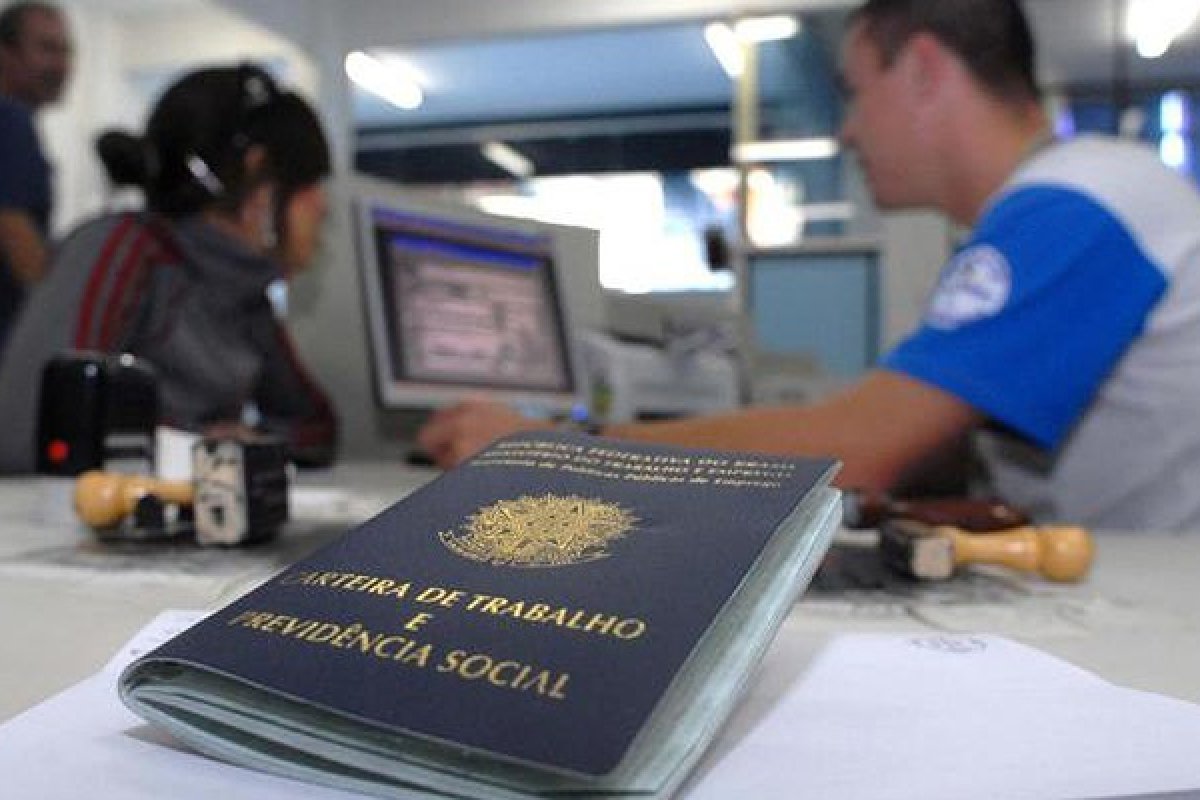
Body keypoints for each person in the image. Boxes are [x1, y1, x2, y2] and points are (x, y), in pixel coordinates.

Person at [416, 0, 1200, 531]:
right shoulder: (1078, 198)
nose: (849, 134)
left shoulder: (1077, 204)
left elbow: (859, 450)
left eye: (855, 95)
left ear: (925, 69)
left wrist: (552, 452)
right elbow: (920, 447)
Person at [0, 64, 337, 471]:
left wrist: (237, 446)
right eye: (309, 184)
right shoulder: (127, 250)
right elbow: (33, 429)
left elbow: (316, 428)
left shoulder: (244, 291)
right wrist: (198, 447)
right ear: (256, 172)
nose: (323, 206)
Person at [0, 1, 70, 356]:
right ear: (6, 53)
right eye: (46, 49)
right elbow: (15, 232)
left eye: (66, 51)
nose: (61, 65)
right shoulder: (9, 121)